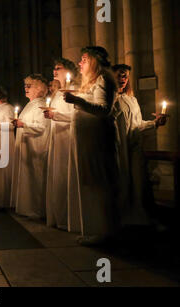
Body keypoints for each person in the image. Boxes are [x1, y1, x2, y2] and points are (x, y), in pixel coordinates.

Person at [64, 46, 120, 245]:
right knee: (90, 182)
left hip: (97, 140)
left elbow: (104, 109)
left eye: (84, 59)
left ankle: (104, 231)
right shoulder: (92, 82)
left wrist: (76, 100)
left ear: (95, 61)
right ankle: (95, 228)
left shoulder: (103, 79)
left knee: (99, 182)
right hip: (88, 140)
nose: (80, 63)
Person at [112, 64, 167, 226]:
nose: (123, 79)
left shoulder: (132, 99)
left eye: (126, 76)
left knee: (139, 183)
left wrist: (154, 123)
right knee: (121, 183)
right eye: (119, 75)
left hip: (134, 148)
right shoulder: (109, 99)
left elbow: (137, 125)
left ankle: (142, 216)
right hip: (118, 148)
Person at [44, 58, 79, 230]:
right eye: (54, 68)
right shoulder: (57, 94)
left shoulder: (74, 91)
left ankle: (68, 218)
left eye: (58, 68)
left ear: (69, 71)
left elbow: (77, 117)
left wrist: (56, 116)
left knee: (66, 176)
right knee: (57, 177)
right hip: (57, 138)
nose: (54, 71)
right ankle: (58, 216)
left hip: (68, 140)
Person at [11, 75, 51, 218]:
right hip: (26, 147)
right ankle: (26, 207)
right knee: (27, 178)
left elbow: (41, 127)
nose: (26, 88)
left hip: (36, 147)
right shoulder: (30, 105)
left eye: (30, 85)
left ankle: (36, 209)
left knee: (35, 178)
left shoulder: (41, 105)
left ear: (39, 89)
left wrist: (23, 125)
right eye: (25, 85)